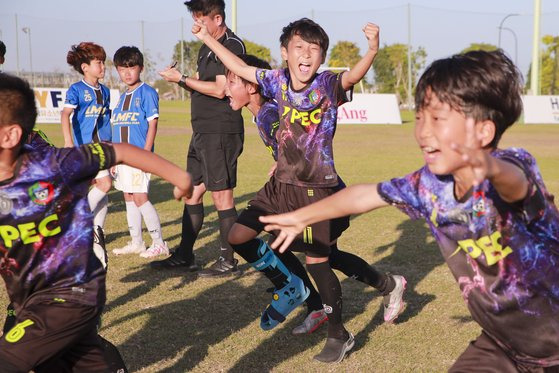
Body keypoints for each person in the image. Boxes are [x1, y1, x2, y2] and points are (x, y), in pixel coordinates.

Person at [260, 50, 559, 371]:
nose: (423, 132)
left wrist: (485, 165)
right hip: (502, 344)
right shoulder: (429, 185)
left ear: (483, 132)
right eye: (419, 117)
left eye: (437, 119)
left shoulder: (514, 165)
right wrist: (303, 216)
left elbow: (515, 184)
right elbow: (365, 195)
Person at [193, 18, 395, 363]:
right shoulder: (276, 81)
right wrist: (207, 40)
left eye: (314, 50)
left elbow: (352, 76)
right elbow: (239, 66)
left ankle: (339, 333)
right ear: (284, 53)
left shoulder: (327, 84)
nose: (306, 55)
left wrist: (372, 49)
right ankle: (293, 288)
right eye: (299, 48)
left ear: (321, 57)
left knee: (320, 261)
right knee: (238, 236)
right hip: (280, 187)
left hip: (318, 189)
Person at [0, 72, 193, 372]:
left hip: (72, 293)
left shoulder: (55, 165)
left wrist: (179, 177)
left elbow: (122, 151)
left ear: (9, 136)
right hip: (31, 301)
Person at [224, 54, 407, 336]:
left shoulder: (270, 113)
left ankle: (375, 291)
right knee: (286, 248)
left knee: (317, 256)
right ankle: (315, 299)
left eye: (231, 81)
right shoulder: (263, 113)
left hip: (314, 192)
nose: (226, 88)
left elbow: (299, 142)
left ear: (251, 87)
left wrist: (284, 159)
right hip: (288, 190)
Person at [155, 0, 246, 277]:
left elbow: (220, 90)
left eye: (202, 20)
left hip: (221, 129)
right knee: (193, 192)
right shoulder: (205, 47)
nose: (198, 26)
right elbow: (200, 79)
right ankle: (185, 256)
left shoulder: (231, 45)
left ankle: (228, 260)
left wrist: (181, 79)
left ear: (217, 19)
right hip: (202, 130)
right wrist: (179, 77)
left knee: (222, 194)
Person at [110, 46, 169, 259]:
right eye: (122, 68)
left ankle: (159, 242)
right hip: (122, 157)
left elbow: (152, 125)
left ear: (141, 68)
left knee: (140, 196)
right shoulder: (121, 97)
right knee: (128, 195)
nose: (127, 72)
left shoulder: (147, 93)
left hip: (139, 157)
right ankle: (137, 242)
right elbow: (117, 128)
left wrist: (146, 155)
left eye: (131, 67)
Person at [61, 42, 112, 260]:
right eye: (98, 62)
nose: (103, 66)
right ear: (85, 67)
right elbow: (65, 116)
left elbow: (105, 121)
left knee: (104, 195)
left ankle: (95, 233)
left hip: (101, 148)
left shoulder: (106, 91)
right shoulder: (77, 90)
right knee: (105, 184)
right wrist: (68, 142)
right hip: (83, 149)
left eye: (103, 62)